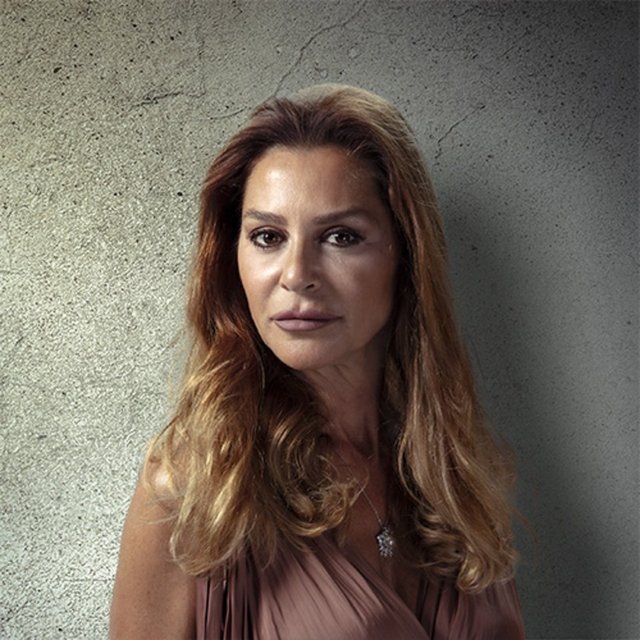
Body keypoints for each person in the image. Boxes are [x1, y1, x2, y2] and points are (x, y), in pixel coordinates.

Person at [110, 84, 525, 639]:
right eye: (267, 236)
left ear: (405, 255)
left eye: (340, 236)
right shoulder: (192, 486)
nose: (296, 274)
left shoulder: (454, 472)